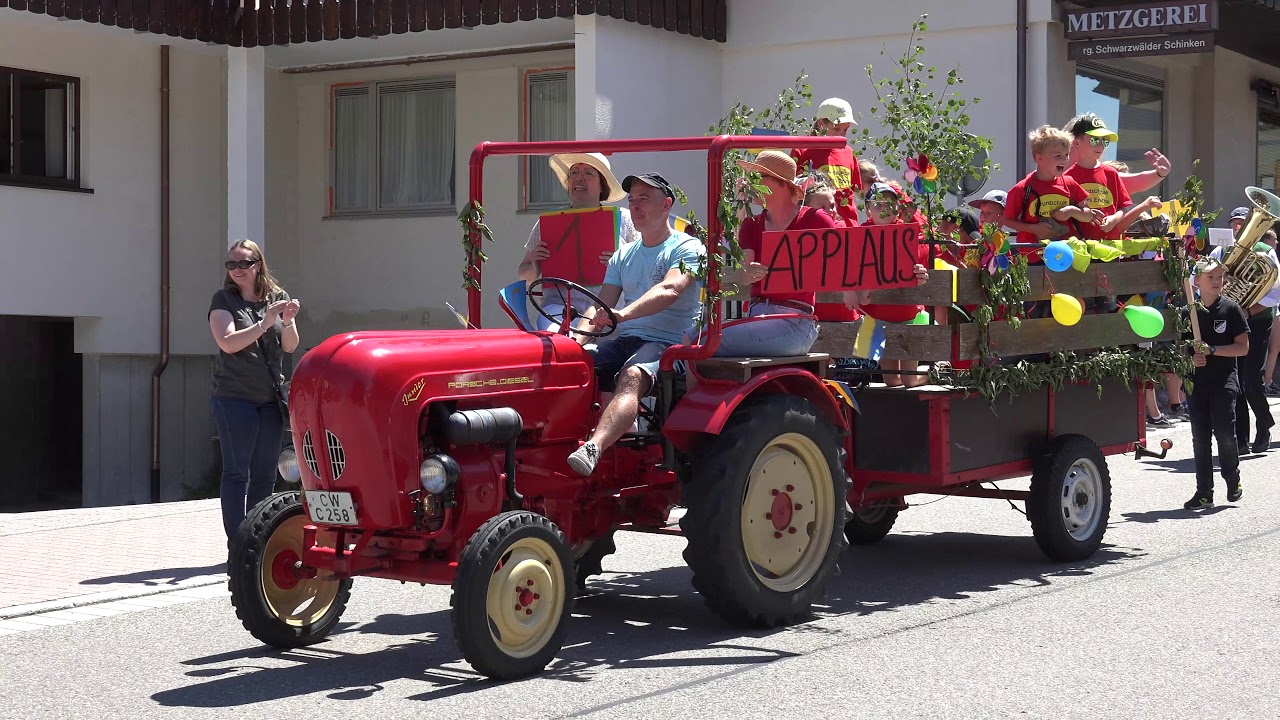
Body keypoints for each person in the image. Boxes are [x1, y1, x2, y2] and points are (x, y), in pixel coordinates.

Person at [566, 174, 705, 476]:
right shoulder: (623, 254)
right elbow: (599, 306)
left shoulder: (688, 247)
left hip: (670, 346)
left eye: (644, 198)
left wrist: (622, 315)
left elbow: (669, 290)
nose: (635, 205)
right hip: (626, 340)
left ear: (666, 204)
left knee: (632, 374)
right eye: (632, 199)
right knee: (572, 364)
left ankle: (594, 447)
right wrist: (572, 341)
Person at [208, 240, 300, 538]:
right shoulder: (224, 300)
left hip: (270, 399)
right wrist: (264, 323)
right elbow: (227, 342)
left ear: (258, 264)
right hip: (234, 398)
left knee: (265, 473)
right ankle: (237, 542)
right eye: (231, 264)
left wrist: (287, 321)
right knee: (237, 473)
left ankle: (257, 539)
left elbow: (290, 345)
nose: (237, 270)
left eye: (243, 263)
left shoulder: (277, 297)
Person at [710, 150, 834, 358]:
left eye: (758, 177)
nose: (750, 183)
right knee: (695, 340)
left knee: (700, 341)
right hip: (757, 318)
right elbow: (742, 276)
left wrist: (853, 291)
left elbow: (843, 261)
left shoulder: (816, 221)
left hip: (795, 322)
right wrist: (748, 272)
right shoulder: (752, 224)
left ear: (782, 184)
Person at [517, 152, 639, 330]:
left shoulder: (625, 219)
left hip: (608, 312)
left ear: (602, 186)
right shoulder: (547, 223)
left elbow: (643, 272)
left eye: (588, 173)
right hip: (558, 310)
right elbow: (523, 275)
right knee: (555, 336)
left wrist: (621, 264)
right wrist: (535, 264)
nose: (579, 178)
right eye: (574, 173)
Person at [1207, 212, 1280, 453]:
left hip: (1258, 320)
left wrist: (1249, 311)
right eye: (1234, 223)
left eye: (1242, 222)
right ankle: (1240, 439)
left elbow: (1276, 293)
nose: (1238, 226)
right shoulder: (1221, 250)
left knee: (1250, 381)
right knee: (1234, 381)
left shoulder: (1265, 252)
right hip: (1230, 322)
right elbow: (1205, 278)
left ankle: (1264, 424)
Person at [846, 182, 931, 387]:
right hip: (878, 320)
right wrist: (850, 289)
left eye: (891, 204)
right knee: (891, 380)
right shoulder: (860, 235)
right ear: (867, 208)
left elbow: (922, 272)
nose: (885, 209)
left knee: (909, 380)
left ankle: (932, 373)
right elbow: (850, 268)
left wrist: (921, 274)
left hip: (908, 316)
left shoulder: (907, 234)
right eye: (879, 204)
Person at [1183, 257, 1249, 509]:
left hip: (1224, 382)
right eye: (1210, 277)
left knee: (1224, 434)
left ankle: (1232, 479)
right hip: (1196, 384)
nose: (1217, 282)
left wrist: (1212, 350)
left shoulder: (1231, 309)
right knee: (1200, 439)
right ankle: (1204, 491)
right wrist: (1191, 358)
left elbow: (1242, 348)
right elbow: (1180, 349)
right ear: (1196, 281)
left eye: (1220, 277)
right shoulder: (1187, 311)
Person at [1003, 125, 1103, 263]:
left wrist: (1071, 211)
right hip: (1033, 256)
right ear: (1039, 158)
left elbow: (1087, 214)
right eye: (1058, 156)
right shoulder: (1023, 188)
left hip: (1066, 255)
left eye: (1066, 154)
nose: (1064, 159)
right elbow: (1006, 220)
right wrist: (1035, 229)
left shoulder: (1070, 183)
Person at [1064, 114, 1165, 241]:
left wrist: (1114, 219)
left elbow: (1123, 206)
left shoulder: (1110, 173)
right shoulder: (1066, 178)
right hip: (1079, 251)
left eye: (1104, 141)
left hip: (1111, 248)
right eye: (1094, 140)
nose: (1100, 146)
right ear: (1076, 143)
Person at [792, 98, 863, 226]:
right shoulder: (802, 151)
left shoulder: (848, 152)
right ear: (821, 124)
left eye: (845, 130)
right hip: (815, 227)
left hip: (848, 227)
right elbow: (793, 195)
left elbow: (854, 191)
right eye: (836, 129)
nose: (841, 135)